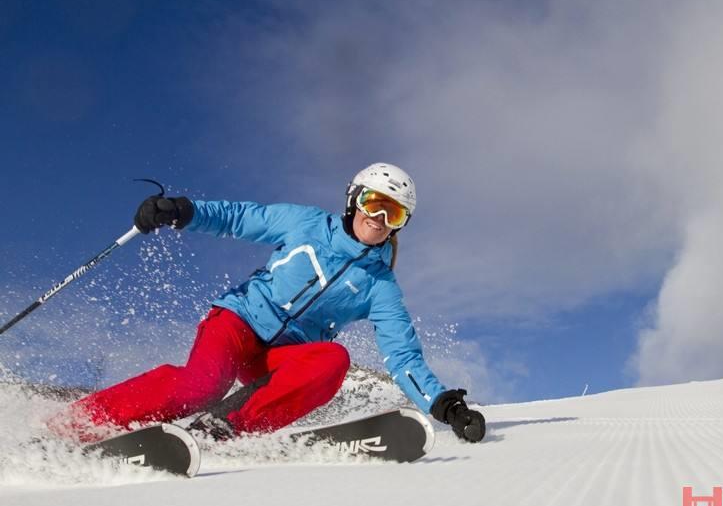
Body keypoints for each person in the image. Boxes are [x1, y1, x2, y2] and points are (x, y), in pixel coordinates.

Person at [52, 163, 485, 444]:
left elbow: (403, 354)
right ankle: (76, 423)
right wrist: (181, 210)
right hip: (238, 323)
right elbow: (240, 217)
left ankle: (225, 428)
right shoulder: (305, 224)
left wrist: (445, 404)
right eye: (375, 203)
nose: (379, 219)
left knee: (333, 360)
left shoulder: (380, 286)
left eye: (394, 214)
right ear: (355, 199)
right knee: (200, 387)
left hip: (280, 357)